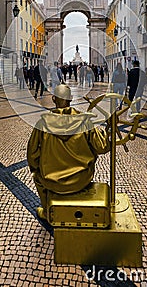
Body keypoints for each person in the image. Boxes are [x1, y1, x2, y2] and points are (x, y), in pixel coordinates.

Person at [27, 84, 110, 220]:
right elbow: (102, 147)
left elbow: (32, 155)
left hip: (51, 182)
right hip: (82, 179)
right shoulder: (84, 121)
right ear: (71, 98)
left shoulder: (42, 124)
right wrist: (107, 132)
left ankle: (47, 212)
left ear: (54, 99)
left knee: (36, 176)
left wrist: (39, 170)